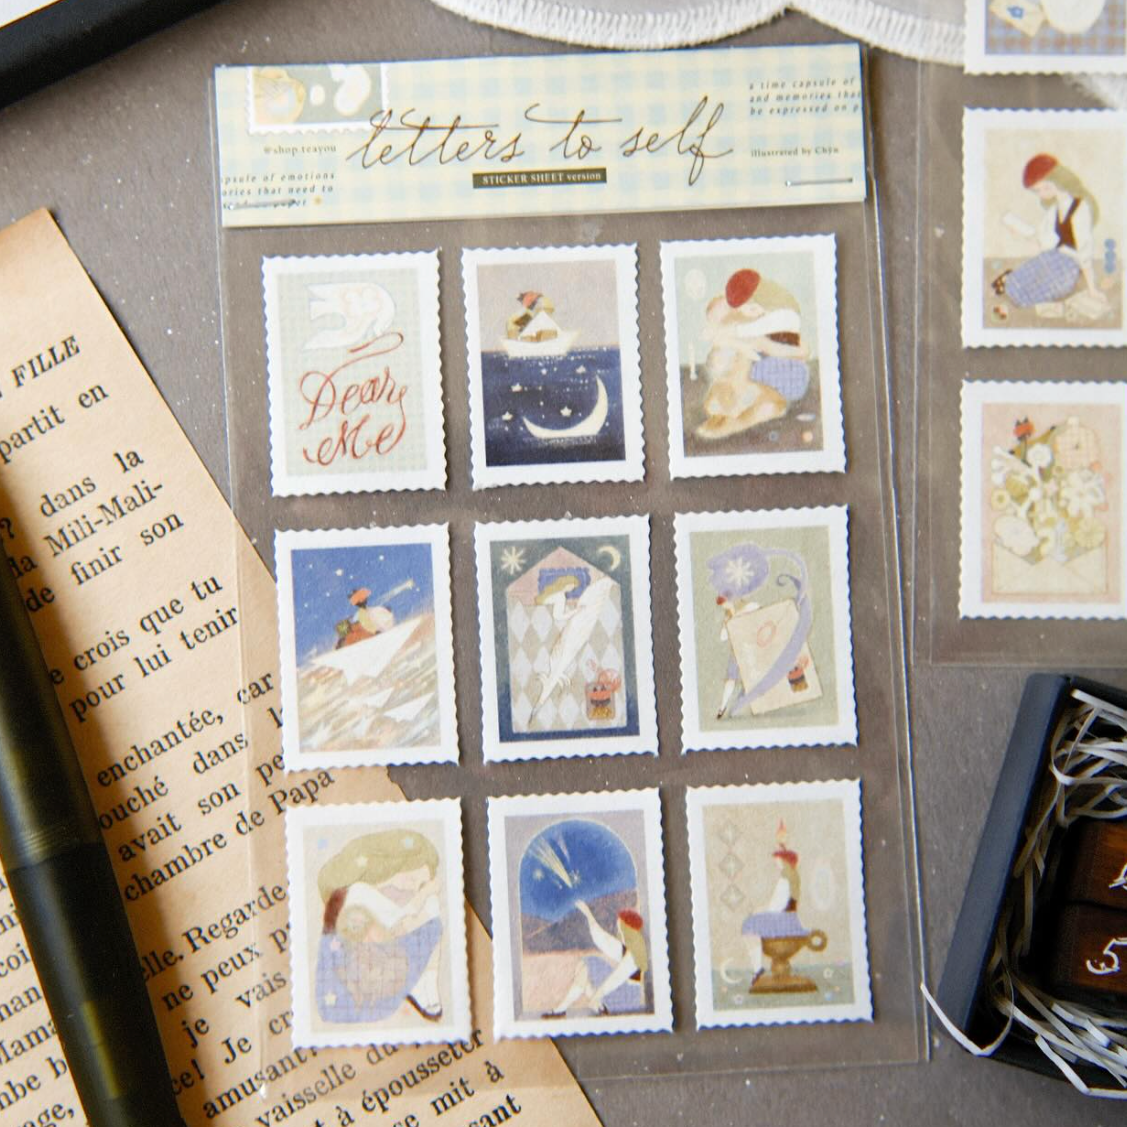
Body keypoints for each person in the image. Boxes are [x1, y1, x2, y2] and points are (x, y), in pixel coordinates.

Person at [315, 829, 444, 1024]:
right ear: (397, 866)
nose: (412, 887)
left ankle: (429, 981)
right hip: (368, 965)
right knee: (430, 910)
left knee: (430, 909)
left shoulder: (384, 892)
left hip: (384, 950)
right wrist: (425, 895)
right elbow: (400, 920)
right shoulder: (360, 891)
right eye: (411, 879)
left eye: (420, 884)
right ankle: (424, 982)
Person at [698, 268, 811, 439]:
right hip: (759, 383)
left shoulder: (767, 326)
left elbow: (803, 349)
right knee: (747, 399)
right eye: (723, 320)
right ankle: (731, 417)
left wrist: (767, 346)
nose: (731, 317)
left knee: (764, 402)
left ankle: (731, 423)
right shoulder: (739, 339)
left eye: (731, 311)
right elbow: (719, 356)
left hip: (787, 376)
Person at [993, 153, 1104, 309]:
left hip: (1069, 266)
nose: (1041, 194)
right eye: (1037, 190)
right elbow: (1042, 239)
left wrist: (1092, 289)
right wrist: (1018, 230)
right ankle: (1011, 282)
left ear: (1059, 181)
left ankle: (1015, 287)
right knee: (1020, 280)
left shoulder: (1081, 209)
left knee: (1032, 294)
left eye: (1045, 188)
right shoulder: (1054, 210)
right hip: (1051, 257)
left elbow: (1084, 250)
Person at [544, 903, 648, 1016]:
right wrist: (588, 913)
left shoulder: (633, 955)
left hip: (628, 1000)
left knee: (589, 962)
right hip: (622, 994)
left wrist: (596, 996)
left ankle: (567, 1008)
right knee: (584, 969)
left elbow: (616, 979)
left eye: (620, 928)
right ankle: (566, 1008)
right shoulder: (626, 948)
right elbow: (602, 939)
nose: (618, 931)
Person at [742, 836, 807, 989]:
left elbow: (776, 906)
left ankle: (757, 968)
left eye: (777, 860)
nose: (776, 863)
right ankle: (758, 968)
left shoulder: (785, 880)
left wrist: (759, 910)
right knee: (753, 920)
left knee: (749, 925)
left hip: (781, 920)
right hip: (789, 918)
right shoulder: (792, 877)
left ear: (784, 862)